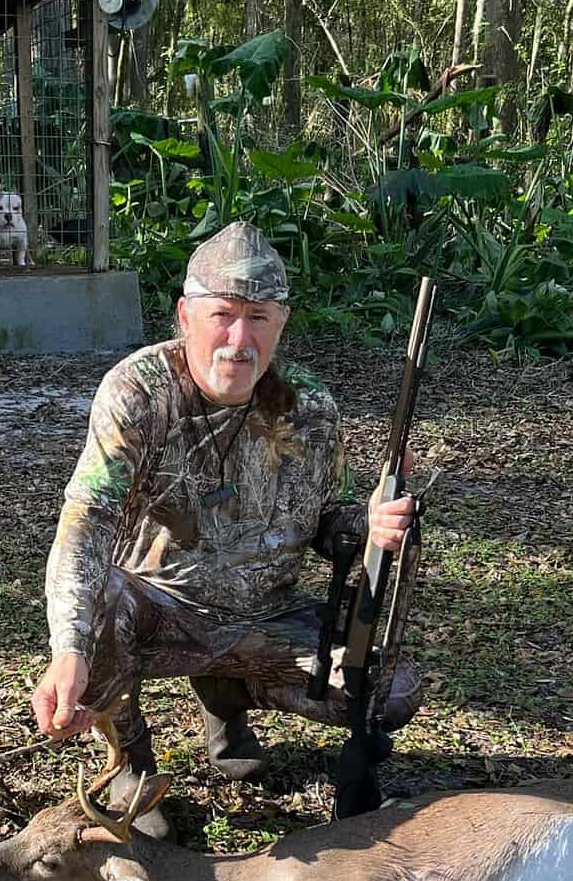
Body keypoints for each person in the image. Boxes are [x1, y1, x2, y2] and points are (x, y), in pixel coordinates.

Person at [33, 221, 419, 835]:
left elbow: (336, 526)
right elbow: (87, 520)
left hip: (266, 613)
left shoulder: (309, 407)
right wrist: (69, 650)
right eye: (223, 315)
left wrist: (375, 521)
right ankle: (131, 764)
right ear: (185, 315)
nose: (240, 340)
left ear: (281, 324)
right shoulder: (137, 393)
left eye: (259, 318)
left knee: (390, 689)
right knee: (97, 610)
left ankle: (227, 698)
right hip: (165, 609)